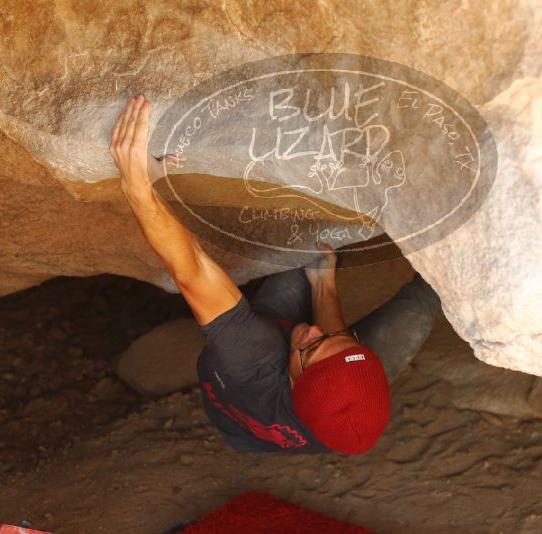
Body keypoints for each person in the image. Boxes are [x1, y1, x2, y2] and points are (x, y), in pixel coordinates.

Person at [109, 95, 441, 454]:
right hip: (320, 392)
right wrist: (323, 285)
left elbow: (192, 269)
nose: (315, 330)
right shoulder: (347, 418)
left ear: (295, 384)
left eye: (312, 346)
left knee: (309, 250)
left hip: (243, 420)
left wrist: (137, 184)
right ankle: (332, 334)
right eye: (344, 341)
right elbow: (330, 346)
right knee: (421, 303)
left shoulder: (251, 359)